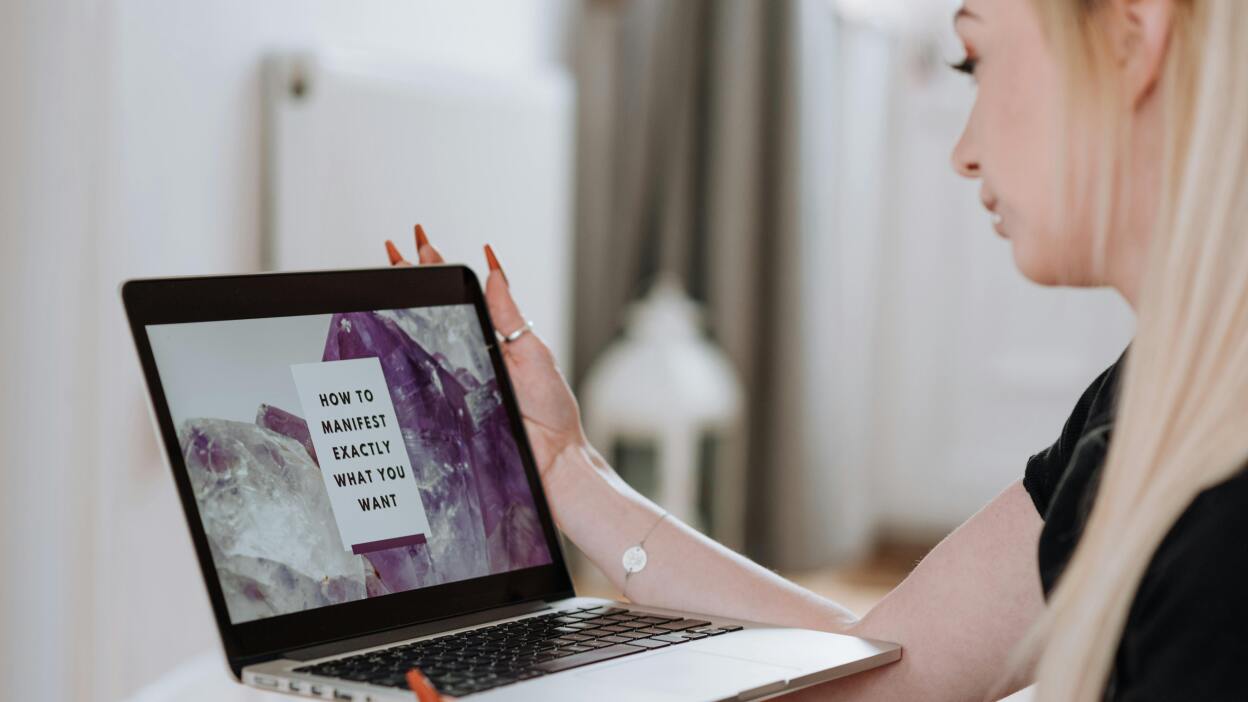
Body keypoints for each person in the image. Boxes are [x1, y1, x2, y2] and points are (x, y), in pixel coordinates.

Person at [384, 0, 1248, 699]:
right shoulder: (1151, 403)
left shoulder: (1220, 529)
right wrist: (570, 470)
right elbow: (893, 667)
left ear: (1134, 37)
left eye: (974, 61)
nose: (963, 150)